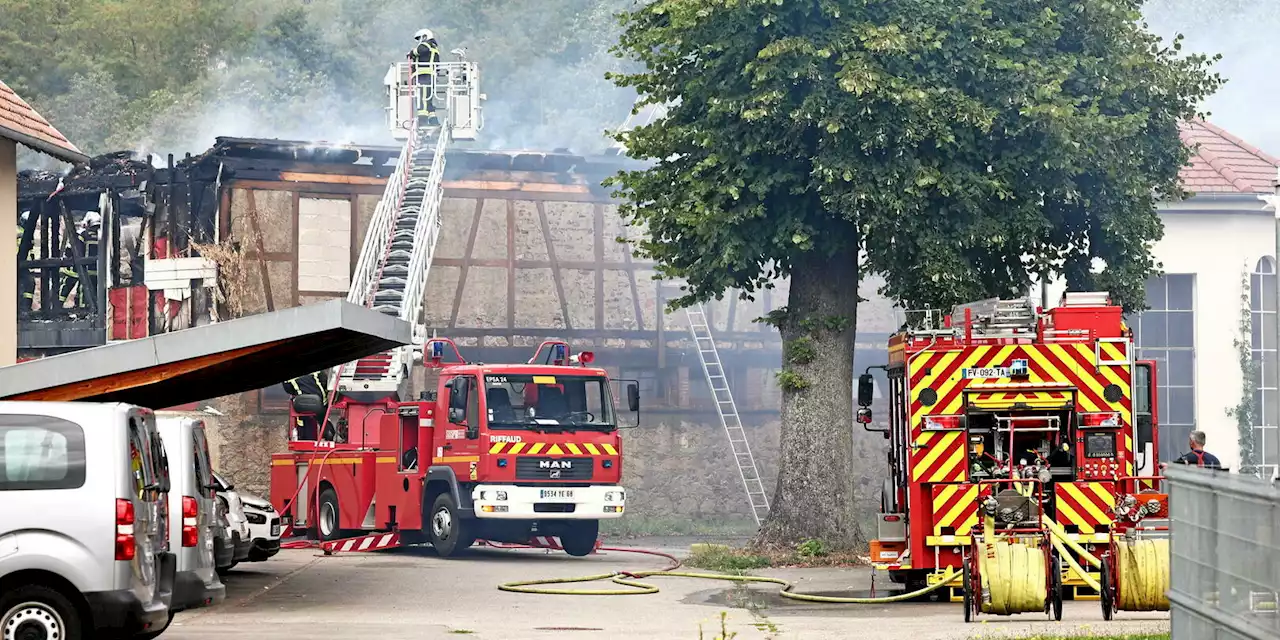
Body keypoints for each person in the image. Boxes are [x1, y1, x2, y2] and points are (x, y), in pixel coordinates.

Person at [281, 370, 330, 441]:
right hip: (321, 404)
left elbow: (289, 390)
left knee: (304, 421)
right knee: (323, 418)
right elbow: (325, 382)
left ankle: (304, 438)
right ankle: (327, 433)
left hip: (302, 405)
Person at [407, 28, 441, 125]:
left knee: (422, 100)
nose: (419, 41)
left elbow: (420, 50)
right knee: (428, 100)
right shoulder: (434, 48)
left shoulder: (425, 45)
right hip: (431, 77)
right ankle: (434, 122)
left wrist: (411, 53)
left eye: (420, 38)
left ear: (425, 36)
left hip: (424, 76)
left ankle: (423, 121)